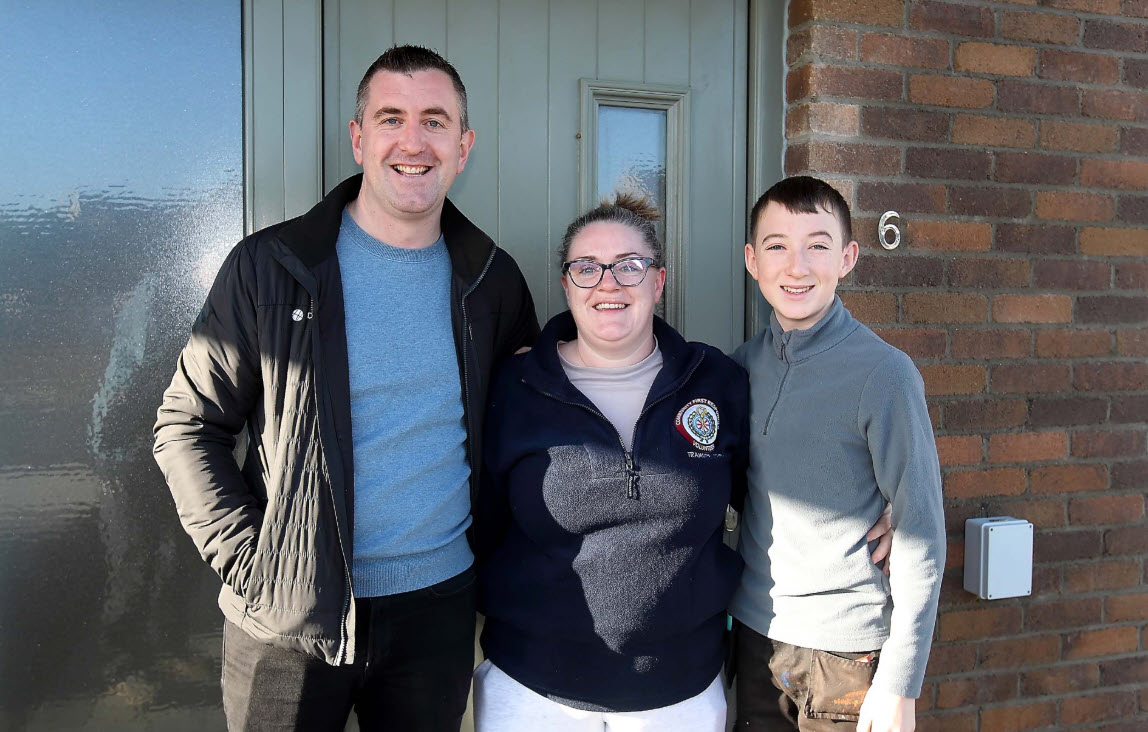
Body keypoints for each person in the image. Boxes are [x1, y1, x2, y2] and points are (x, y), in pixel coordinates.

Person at [152, 45, 538, 732]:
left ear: (464, 144)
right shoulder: (270, 269)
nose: (412, 142)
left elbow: (524, 433)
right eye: (391, 118)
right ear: (359, 139)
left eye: (435, 121)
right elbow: (187, 426)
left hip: (438, 615)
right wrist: (256, 565)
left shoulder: (493, 282)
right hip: (288, 622)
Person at [472, 194, 749, 731]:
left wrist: (877, 501)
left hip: (681, 694)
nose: (608, 283)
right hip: (532, 693)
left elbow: (772, 491)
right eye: (587, 268)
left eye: (629, 266)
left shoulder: (716, 382)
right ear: (566, 284)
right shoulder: (512, 388)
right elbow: (480, 521)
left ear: (658, 282)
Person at [730, 176, 946, 732]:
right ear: (753, 261)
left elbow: (923, 530)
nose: (796, 266)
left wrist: (900, 683)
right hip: (755, 639)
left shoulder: (884, 373)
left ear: (847, 257)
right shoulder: (740, 367)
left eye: (818, 245)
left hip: (845, 659)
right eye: (777, 246)